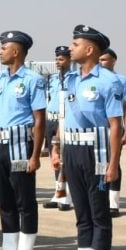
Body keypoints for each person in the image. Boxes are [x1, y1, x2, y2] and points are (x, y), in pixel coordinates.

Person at [53, 25, 123, 250]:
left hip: (97, 151)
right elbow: (64, 117)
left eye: (75, 44)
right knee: (81, 211)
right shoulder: (69, 79)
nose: (71, 48)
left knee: (98, 212)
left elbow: (116, 125)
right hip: (73, 149)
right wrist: (57, 146)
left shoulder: (108, 81)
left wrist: (113, 164)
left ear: (90, 49)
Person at [0, 31, 45, 250]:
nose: (0, 51)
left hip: (20, 146)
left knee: (25, 202)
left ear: (16, 51)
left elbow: (39, 120)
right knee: (5, 201)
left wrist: (35, 156)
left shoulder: (33, 80)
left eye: (4, 47)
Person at [98, 48, 126, 217]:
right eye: (100, 60)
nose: (101, 63)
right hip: (97, 130)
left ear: (113, 61)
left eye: (105, 60)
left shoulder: (121, 80)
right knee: (97, 166)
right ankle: (99, 200)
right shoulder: (93, 79)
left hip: (113, 129)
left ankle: (113, 203)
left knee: (113, 164)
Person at [43, 46, 72, 210]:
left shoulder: (74, 78)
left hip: (65, 122)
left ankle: (67, 195)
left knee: (65, 159)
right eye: (57, 59)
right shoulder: (52, 79)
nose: (58, 62)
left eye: (61, 59)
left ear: (69, 60)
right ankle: (58, 192)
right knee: (54, 159)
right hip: (51, 121)